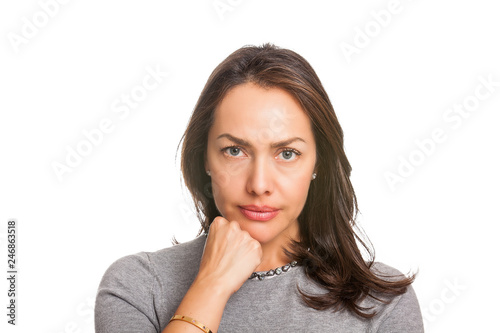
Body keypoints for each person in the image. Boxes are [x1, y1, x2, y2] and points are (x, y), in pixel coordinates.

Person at [94, 43, 424, 332]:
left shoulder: (383, 304)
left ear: (318, 164)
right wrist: (211, 287)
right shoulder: (137, 288)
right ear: (204, 158)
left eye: (287, 153)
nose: (259, 185)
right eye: (235, 150)